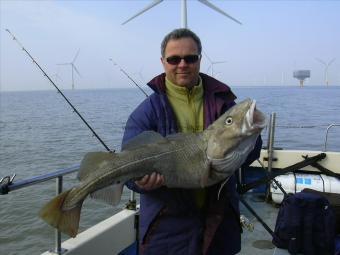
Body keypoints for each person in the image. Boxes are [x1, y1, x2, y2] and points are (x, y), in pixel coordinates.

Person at [122, 28, 262, 255]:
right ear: (162, 62)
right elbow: (127, 169)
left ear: (200, 59)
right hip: (166, 228)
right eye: (174, 59)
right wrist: (139, 184)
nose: (182, 64)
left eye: (190, 58)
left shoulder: (224, 103)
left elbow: (250, 156)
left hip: (219, 222)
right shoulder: (146, 113)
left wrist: (251, 134)